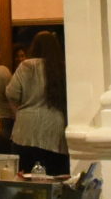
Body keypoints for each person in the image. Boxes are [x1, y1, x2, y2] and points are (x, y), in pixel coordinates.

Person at [7, 30, 69, 176]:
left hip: (25, 129)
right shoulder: (61, 67)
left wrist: (20, 108)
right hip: (55, 129)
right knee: (53, 177)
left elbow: (11, 93)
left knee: (25, 177)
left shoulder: (26, 66)